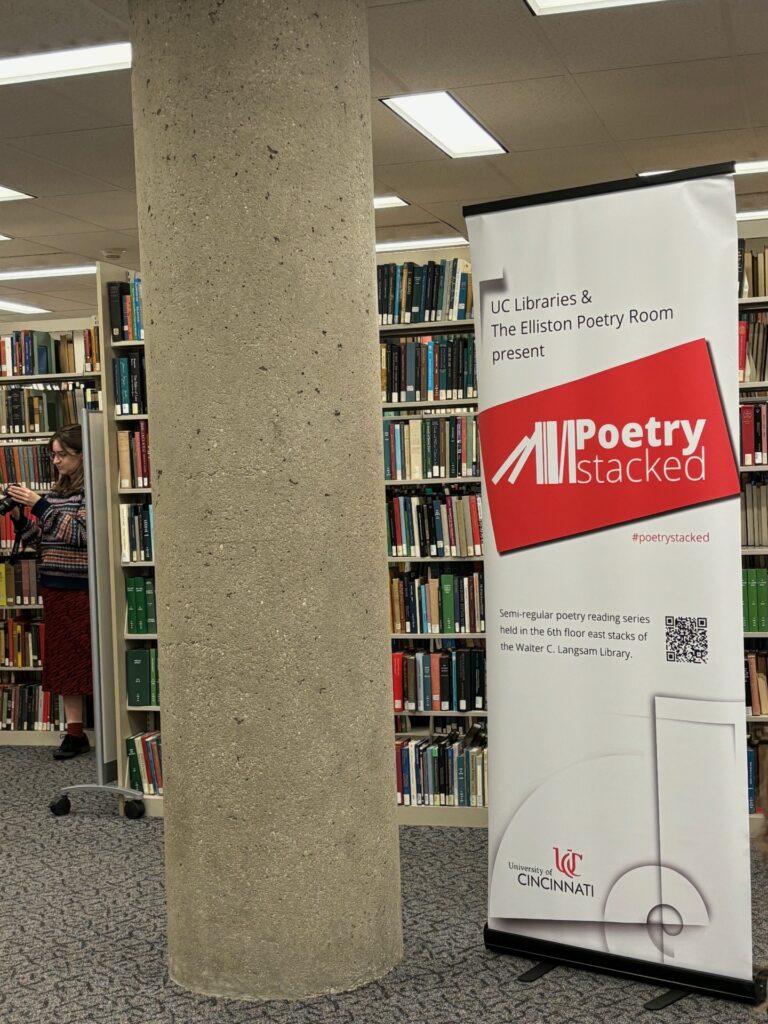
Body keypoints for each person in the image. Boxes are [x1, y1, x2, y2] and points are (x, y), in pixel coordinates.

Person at [6, 424, 91, 759]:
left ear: (81, 455)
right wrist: (19, 520)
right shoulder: (56, 493)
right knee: (64, 662)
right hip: (54, 588)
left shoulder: (89, 493)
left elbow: (82, 534)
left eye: (62, 454)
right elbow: (41, 543)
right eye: (52, 454)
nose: (55, 461)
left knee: (87, 658)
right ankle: (74, 733)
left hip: (83, 590)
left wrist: (39, 505)